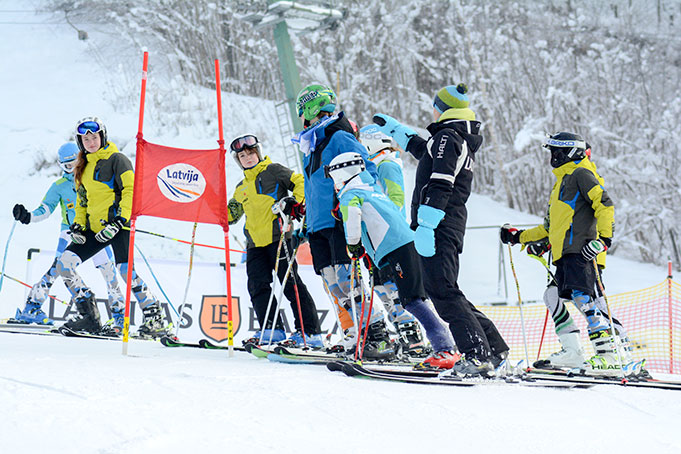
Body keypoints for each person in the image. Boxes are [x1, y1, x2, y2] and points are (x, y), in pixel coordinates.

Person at [373, 83, 509, 376]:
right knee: (447, 290)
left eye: (435, 106)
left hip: (439, 224)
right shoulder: (453, 137)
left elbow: (441, 182)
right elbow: (426, 152)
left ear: (442, 109)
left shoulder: (448, 136)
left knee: (443, 292)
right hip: (446, 223)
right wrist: (398, 131)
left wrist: (426, 225)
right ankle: (493, 349)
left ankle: (477, 354)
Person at [500, 132, 629, 376]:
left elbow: (605, 204)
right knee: (553, 296)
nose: (553, 157)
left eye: (557, 152)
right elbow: (551, 229)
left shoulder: (582, 174)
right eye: (552, 152)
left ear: (572, 153)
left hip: (582, 252)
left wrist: (603, 241)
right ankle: (573, 352)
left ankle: (610, 356)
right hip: (565, 254)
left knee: (585, 299)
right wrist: (518, 237)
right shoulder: (562, 182)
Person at [292, 83, 394, 360]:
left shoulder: (337, 136)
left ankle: (378, 335)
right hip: (317, 225)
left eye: (302, 111)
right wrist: (305, 225)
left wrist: (356, 204)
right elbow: (314, 188)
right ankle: (358, 334)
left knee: (349, 281)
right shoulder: (312, 145)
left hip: (338, 219)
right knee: (333, 284)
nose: (300, 117)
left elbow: (366, 169)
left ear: (310, 109)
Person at [326, 152, 456, 367]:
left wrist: (353, 244)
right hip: (404, 246)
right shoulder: (371, 188)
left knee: (412, 300)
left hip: (397, 248)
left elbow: (351, 216)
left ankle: (445, 347)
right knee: (415, 298)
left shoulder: (351, 193)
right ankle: (447, 344)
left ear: (341, 172)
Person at [55, 117, 170, 337]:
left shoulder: (118, 159)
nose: (90, 142)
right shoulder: (83, 165)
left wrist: (121, 219)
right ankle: (89, 316)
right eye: (85, 139)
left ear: (102, 137)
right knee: (64, 264)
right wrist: (79, 225)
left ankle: (155, 318)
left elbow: (130, 190)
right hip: (94, 228)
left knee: (126, 272)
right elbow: (82, 200)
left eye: (94, 137)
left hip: (118, 225)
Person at [226, 133, 323, 348]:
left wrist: (293, 202)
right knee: (257, 286)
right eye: (242, 156)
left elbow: (300, 183)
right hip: (254, 244)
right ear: (238, 160)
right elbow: (231, 215)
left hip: (278, 237)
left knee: (290, 284)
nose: (247, 158)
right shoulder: (241, 187)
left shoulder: (273, 170)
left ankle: (310, 332)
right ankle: (272, 330)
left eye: (251, 153)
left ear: (258, 153)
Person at [11, 142, 123, 326]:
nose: (72, 169)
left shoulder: (94, 178)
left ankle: (120, 316)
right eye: (67, 165)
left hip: (96, 232)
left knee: (109, 272)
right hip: (71, 233)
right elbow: (45, 209)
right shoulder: (60, 186)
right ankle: (32, 307)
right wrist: (28, 217)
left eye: (74, 163)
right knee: (57, 268)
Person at [358, 125, 430, 356]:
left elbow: (395, 197)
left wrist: (389, 226)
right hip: (376, 241)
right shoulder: (375, 166)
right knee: (381, 290)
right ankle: (402, 335)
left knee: (396, 291)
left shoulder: (386, 164)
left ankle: (414, 339)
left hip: (390, 239)